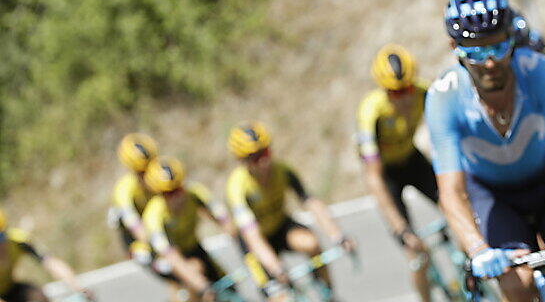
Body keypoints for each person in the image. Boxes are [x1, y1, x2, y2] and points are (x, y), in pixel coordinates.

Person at [426, 0, 545, 302]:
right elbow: (452, 193)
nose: (490, 63)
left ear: (512, 39)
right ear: (454, 47)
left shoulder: (537, 71)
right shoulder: (444, 97)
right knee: (517, 288)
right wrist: (478, 249)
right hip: (494, 197)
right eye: (476, 53)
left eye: (497, 48)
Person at [226, 121, 355, 296]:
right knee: (279, 296)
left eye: (266, 152)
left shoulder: (282, 170)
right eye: (255, 157)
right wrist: (276, 269)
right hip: (257, 241)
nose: (264, 161)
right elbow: (252, 237)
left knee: (312, 244)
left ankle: (328, 294)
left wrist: (338, 235)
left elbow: (311, 202)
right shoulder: (237, 188)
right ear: (243, 161)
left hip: (281, 227)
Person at [358, 44, 439, 302]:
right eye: (396, 92)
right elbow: (373, 177)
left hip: (413, 160)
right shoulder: (371, 112)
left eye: (407, 89)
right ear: (384, 90)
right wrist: (401, 229)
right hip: (386, 174)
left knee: (459, 210)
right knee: (416, 256)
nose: (404, 98)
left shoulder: (425, 93)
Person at [142, 156, 236, 301]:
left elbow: (225, 220)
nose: (176, 197)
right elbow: (171, 256)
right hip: (165, 259)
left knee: (228, 287)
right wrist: (201, 285)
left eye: (178, 189)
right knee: (197, 276)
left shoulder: (194, 192)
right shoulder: (154, 216)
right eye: (169, 194)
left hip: (192, 247)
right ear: (159, 194)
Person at [0, 208, 93, 302]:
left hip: (9, 288)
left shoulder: (17, 240)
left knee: (37, 296)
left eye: (1, 237)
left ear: (6, 232)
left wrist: (77, 287)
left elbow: (50, 262)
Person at [109, 133, 159, 268]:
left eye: (151, 166)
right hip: (139, 238)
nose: (148, 174)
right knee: (148, 256)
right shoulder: (124, 191)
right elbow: (136, 227)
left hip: (159, 227)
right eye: (142, 171)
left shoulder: (161, 179)